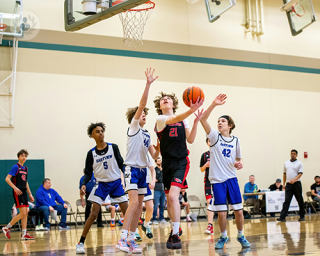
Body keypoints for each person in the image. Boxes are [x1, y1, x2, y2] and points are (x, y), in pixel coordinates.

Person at [117, 68, 160, 254]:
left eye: (144, 114)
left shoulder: (146, 133)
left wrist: (161, 142)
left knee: (140, 206)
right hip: (131, 168)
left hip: (143, 170)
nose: (144, 115)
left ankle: (132, 239)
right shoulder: (133, 127)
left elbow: (155, 155)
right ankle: (122, 239)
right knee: (133, 203)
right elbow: (142, 104)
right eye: (141, 113)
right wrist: (148, 84)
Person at [154, 91, 204, 250]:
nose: (165, 100)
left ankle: (175, 233)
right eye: (162, 100)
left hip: (182, 162)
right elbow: (176, 118)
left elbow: (190, 140)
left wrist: (195, 122)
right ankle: (176, 226)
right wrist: (191, 109)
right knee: (170, 200)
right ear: (160, 106)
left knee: (174, 196)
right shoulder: (160, 120)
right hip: (167, 163)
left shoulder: (185, 120)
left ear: (174, 103)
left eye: (168, 98)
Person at [199, 94, 250, 249]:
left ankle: (241, 235)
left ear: (230, 126)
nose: (220, 123)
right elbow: (203, 119)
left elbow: (238, 160)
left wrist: (238, 164)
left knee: (239, 212)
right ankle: (223, 236)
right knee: (221, 213)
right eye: (218, 121)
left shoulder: (236, 141)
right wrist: (214, 104)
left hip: (232, 179)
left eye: (223, 121)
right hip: (217, 181)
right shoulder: (214, 137)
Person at [76, 122, 128, 254]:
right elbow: (88, 173)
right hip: (101, 184)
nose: (101, 133)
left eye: (102, 131)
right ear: (92, 135)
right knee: (93, 214)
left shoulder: (113, 147)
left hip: (116, 183)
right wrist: (83, 184)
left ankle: (130, 238)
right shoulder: (91, 153)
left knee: (128, 211)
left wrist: (128, 176)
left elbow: (122, 163)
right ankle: (81, 242)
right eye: (97, 132)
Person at [2, 149, 35, 240]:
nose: (24, 157)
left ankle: (24, 233)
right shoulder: (15, 167)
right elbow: (7, 179)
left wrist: (30, 193)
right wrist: (15, 188)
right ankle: (6, 227)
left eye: (25, 156)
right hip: (17, 192)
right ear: (18, 157)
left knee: (25, 213)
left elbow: (26, 182)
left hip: (24, 192)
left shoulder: (26, 168)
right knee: (23, 213)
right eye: (22, 156)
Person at [277, 149, 305, 222]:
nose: (293, 155)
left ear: (296, 155)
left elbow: (300, 173)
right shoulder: (286, 163)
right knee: (287, 200)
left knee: (300, 200)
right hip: (288, 184)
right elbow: (284, 174)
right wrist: (283, 184)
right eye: (291, 153)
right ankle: (282, 217)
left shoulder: (299, 163)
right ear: (290, 154)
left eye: (294, 154)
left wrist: (294, 180)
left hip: (296, 184)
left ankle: (302, 216)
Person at [200, 138, 214, 235]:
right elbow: (201, 169)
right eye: (209, 141)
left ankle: (224, 227)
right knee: (209, 202)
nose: (210, 142)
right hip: (208, 182)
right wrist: (205, 165)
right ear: (207, 143)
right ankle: (210, 225)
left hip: (218, 181)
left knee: (220, 203)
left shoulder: (218, 153)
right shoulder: (204, 155)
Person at [152, 157, 167, 225]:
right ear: (156, 162)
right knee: (156, 204)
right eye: (158, 161)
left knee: (162, 204)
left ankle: (161, 218)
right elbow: (156, 178)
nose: (160, 162)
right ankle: (154, 218)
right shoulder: (154, 170)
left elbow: (165, 178)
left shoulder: (164, 169)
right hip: (157, 188)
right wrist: (160, 171)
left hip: (163, 188)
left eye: (160, 160)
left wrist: (162, 171)